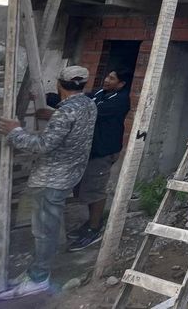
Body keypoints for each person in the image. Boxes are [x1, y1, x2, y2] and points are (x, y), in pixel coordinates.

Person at [0, 66, 97, 300]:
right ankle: (35, 272)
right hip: (69, 174)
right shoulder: (89, 105)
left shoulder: (65, 112)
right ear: (83, 84)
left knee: (44, 231)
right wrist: (52, 114)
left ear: (59, 84)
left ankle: (39, 279)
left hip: (52, 179)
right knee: (46, 228)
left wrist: (15, 131)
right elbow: (71, 122)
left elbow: (43, 145)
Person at [66, 67, 132, 251]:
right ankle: (90, 223)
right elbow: (79, 100)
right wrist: (54, 98)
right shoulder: (99, 93)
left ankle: (94, 229)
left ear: (121, 84)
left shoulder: (119, 101)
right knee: (85, 189)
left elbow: (87, 112)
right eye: (107, 76)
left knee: (95, 190)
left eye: (112, 78)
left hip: (104, 151)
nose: (107, 80)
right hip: (90, 151)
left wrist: (58, 111)